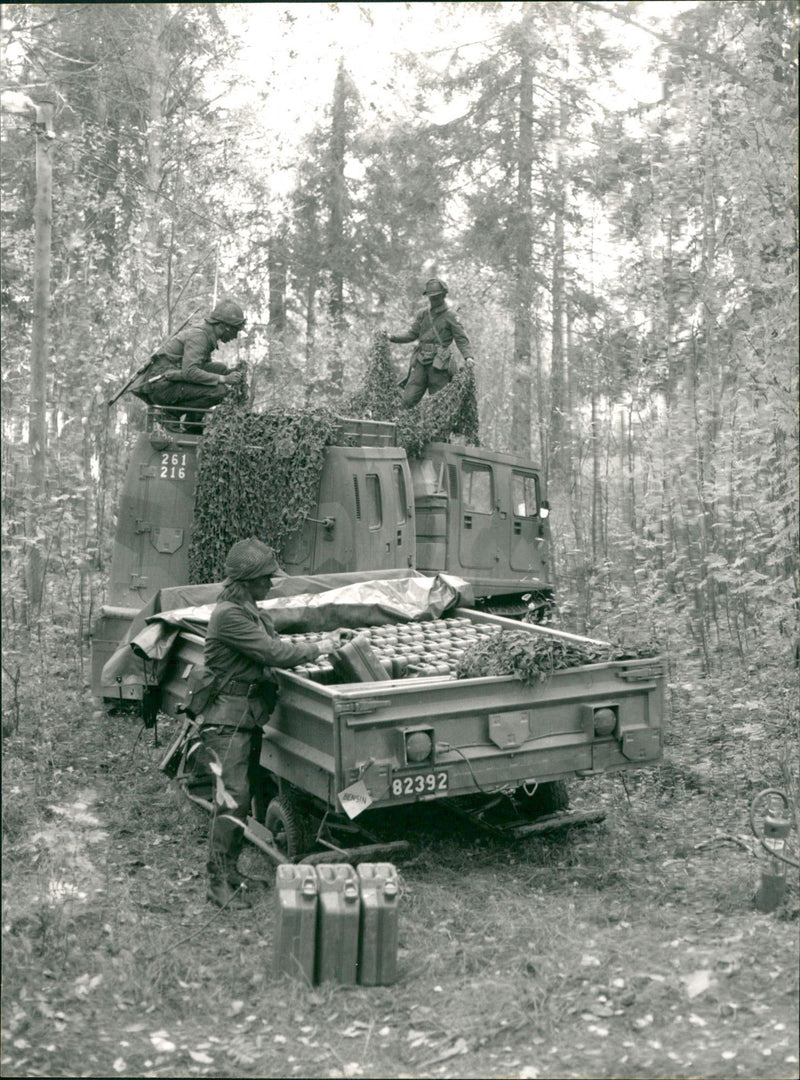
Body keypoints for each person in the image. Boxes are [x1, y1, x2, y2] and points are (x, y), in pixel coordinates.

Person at [200, 537, 354, 908]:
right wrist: (322, 648)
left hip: (245, 716)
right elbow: (273, 652)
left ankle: (231, 871)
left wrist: (326, 638)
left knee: (241, 795)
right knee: (232, 800)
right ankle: (217, 883)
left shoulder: (249, 608)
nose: (271, 584)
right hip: (228, 720)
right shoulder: (230, 616)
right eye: (266, 578)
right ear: (248, 580)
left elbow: (276, 641)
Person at [143, 298, 247, 431]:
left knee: (220, 369)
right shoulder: (199, 337)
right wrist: (224, 379)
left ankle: (192, 424)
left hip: (171, 380)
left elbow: (199, 369)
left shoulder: (207, 335)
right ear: (224, 326)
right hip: (161, 386)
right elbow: (190, 372)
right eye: (235, 331)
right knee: (220, 391)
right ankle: (171, 413)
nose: (235, 336)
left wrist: (230, 373)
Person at [388, 279, 475, 408]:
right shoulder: (423, 314)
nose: (433, 300)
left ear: (443, 296)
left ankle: (434, 428)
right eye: (431, 297)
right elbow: (412, 334)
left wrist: (468, 357)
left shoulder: (451, 316)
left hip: (440, 364)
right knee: (407, 400)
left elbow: (461, 339)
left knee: (439, 404)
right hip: (421, 361)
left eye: (436, 297)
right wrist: (391, 337)